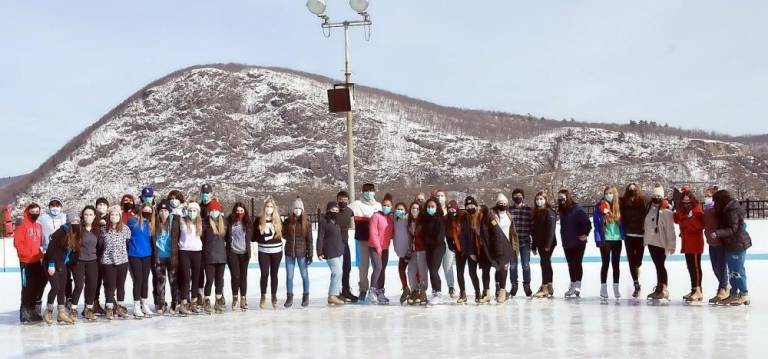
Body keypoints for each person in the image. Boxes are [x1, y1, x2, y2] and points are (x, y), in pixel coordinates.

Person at [711, 189, 752, 305]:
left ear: (721, 201)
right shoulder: (727, 209)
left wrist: (718, 233)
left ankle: (743, 294)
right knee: (732, 271)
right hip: (731, 244)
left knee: (737, 270)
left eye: (716, 202)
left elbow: (733, 229)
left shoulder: (732, 211)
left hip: (737, 244)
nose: (715, 204)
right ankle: (734, 294)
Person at [43, 211, 79, 325]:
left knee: (62, 288)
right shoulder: (60, 232)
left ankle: (61, 313)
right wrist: (52, 264)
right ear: (68, 221)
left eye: (77, 221)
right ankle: (48, 311)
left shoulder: (74, 233)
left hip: (61, 264)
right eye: (73, 221)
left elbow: (68, 250)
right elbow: (51, 250)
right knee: (56, 287)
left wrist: (66, 260)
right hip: (51, 263)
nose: (75, 223)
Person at [349, 183, 381, 301]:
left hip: (375, 241)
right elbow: (345, 214)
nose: (369, 193)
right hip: (362, 240)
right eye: (366, 190)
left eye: (371, 190)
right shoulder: (357, 204)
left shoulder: (378, 205)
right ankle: (363, 289)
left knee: (377, 266)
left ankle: (375, 288)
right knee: (363, 267)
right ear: (362, 192)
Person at [644, 183, 676, 301]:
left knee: (660, 265)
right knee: (658, 266)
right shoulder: (649, 207)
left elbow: (670, 229)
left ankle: (664, 288)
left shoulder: (665, 209)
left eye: (659, 196)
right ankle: (659, 287)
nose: (656, 198)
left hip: (661, 242)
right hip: (651, 241)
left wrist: (671, 245)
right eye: (655, 195)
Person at [558, 189, 592, 298]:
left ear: (568, 197)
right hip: (567, 241)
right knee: (570, 264)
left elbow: (587, 222)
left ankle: (577, 285)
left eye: (563, 198)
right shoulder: (562, 210)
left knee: (577, 263)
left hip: (578, 242)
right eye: (559, 198)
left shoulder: (577, 208)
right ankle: (573, 284)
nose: (561, 200)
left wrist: (585, 233)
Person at [673, 189, 705, 303]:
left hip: (695, 242)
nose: (686, 203)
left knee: (695, 267)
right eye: (684, 201)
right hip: (686, 242)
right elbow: (677, 220)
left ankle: (698, 290)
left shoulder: (697, 209)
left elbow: (700, 226)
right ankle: (694, 289)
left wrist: (690, 218)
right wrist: (675, 210)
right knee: (690, 267)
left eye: (688, 200)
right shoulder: (682, 210)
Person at [36, 198, 67, 312]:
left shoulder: (64, 217)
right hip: (46, 253)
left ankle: (63, 306)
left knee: (63, 281)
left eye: (57, 205)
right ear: (49, 207)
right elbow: (37, 232)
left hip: (61, 254)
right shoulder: (43, 219)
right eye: (52, 206)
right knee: (43, 280)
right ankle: (38, 303)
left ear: (61, 207)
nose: (55, 208)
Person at [14, 203, 44, 323]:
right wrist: (25, 254)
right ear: (28, 211)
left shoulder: (38, 226)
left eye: (37, 211)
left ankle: (32, 310)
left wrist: (41, 255)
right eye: (33, 211)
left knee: (35, 286)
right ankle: (24, 311)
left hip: (36, 261)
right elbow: (17, 243)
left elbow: (38, 244)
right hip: (26, 261)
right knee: (27, 286)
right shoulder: (22, 225)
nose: (35, 213)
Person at [71, 206, 101, 321]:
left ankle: (88, 309)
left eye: (90, 214)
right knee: (79, 285)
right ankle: (73, 309)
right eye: (86, 214)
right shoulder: (78, 229)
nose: (88, 217)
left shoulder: (97, 230)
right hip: (79, 261)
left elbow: (100, 246)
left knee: (92, 286)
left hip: (92, 261)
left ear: (94, 216)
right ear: (83, 216)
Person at [101, 205, 131, 319]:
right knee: (110, 286)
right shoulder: (104, 229)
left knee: (120, 285)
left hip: (122, 260)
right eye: (112, 214)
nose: (114, 216)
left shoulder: (126, 229)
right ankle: (109, 308)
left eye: (116, 214)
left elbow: (127, 244)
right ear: (109, 216)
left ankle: (120, 307)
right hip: (108, 261)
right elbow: (101, 245)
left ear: (120, 216)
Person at [283, 197, 313, 308]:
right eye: (295, 208)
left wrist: (310, 254)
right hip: (289, 253)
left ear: (302, 209)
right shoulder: (287, 222)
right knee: (289, 276)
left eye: (299, 208)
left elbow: (310, 240)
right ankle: (289, 297)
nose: (297, 210)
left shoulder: (307, 223)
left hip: (302, 253)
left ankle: (306, 296)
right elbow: (283, 234)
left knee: (304, 275)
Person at [594, 186, 623, 300]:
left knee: (616, 264)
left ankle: (616, 287)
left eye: (611, 193)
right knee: (605, 263)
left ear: (615, 194)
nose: (608, 195)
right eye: (606, 193)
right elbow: (596, 225)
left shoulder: (619, 206)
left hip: (617, 240)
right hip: (605, 240)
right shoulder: (600, 207)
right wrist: (598, 239)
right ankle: (603, 287)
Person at [254, 197, 283, 309]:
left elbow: (282, 234)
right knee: (264, 274)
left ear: (274, 208)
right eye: (267, 206)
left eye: (271, 207)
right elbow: (254, 236)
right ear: (264, 208)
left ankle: (274, 296)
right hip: (263, 251)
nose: (269, 208)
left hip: (276, 251)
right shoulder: (258, 220)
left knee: (274, 274)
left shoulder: (278, 219)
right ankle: (263, 295)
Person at [126, 203, 155, 318]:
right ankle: (136, 306)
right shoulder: (133, 221)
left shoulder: (150, 224)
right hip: (134, 254)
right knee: (138, 280)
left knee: (145, 280)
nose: (147, 213)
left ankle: (144, 303)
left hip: (147, 254)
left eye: (149, 211)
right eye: (145, 211)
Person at [456, 196, 486, 303]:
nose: (470, 207)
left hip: (472, 250)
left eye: (472, 205)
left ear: (476, 206)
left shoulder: (479, 217)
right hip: (460, 249)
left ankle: (477, 292)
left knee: (472, 272)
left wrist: (474, 252)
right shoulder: (462, 217)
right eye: (468, 206)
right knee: (460, 272)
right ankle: (462, 293)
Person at [152, 200, 180, 315]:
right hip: (159, 256)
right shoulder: (154, 223)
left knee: (173, 281)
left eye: (166, 211)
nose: (163, 213)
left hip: (172, 256)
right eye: (161, 211)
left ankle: (175, 301)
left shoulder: (175, 222)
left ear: (169, 212)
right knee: (160, 281)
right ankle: (161, 303)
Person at [620, 183, 647, 298]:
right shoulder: (623, 202)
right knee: (631, 260)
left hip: (640, 235)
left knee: (638, 261)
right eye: (629, 188)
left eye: (634, 188)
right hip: (629, 235)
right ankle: (636, 284)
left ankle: (637, 270)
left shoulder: (642, 201)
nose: (632, 190)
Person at [702, 186, 729, 304]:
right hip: (711, 241)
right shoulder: (706, 209)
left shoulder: (718, 209)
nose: (706, 198)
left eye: (709, 196)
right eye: (705, 196)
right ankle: (722, 286)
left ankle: (723, 288)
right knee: (715, 266)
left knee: (721, 266)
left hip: (719, 241)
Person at [489, 193, 517, 303]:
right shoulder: (493, 215)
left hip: (507, 246)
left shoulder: (509, 215)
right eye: (500, 203)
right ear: (497, 204)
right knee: (499, 268)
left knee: (504, 268)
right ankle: (498, 288)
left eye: (504, 203)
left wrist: (515, 246)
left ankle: (502, 290)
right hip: (496, 245)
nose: (502, 205)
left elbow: (512, 232)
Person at [316, 201, 346, 305]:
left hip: (338, 250)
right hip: (330, 251)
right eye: (333, 210)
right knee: (336, 272)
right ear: (328, 210)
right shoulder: (324, 221)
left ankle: (336, 294)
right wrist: (319, 251)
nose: (335, 212)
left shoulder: (336, 221)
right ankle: (332, 295)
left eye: (337, 210)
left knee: (339, 273)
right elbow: (320, 237)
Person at [202, 199, 227, 314]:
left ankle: (218, 300)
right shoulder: (205, 223)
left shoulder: (224, 223)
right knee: (210, 280)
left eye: (216, 210)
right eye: (212, 210)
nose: (214, 212)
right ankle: (206, 300)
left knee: (219, 280)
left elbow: (227, 239)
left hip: (221, 257)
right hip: (209, 257)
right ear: (209, 211)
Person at [178, 202, 203, 315]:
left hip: (197, 252)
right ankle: (183, 302)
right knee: (186, 277)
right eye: (190, 210)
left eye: (194, 211)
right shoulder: (181, 221)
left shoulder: (201, 223)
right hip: (184, 251)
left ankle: (194, 301)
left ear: (197, 212)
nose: (192, 213)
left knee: (196, 277)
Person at [368, 194, 394, 305]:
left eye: (388, 205)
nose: (386, 207)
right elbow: (373, 233)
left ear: (391, 206)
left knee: (382, 269)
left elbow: (391, 233)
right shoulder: (376, 216)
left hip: (385, 248)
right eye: (384, 205)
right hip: (374, 247)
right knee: (378, 267)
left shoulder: (390, 219)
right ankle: (372, 290)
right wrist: (378, 247)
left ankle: (380, 291)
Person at [226, 202, 252, 311]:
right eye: (237, 211)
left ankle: (243, 298)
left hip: (244, 253)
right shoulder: (229, 222)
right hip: (233, 252)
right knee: (235, 276)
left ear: (244, 212)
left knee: (243, 277)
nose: (239, 213)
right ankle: (235, 297)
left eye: (241, 211)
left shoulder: (248, 223)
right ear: (234, 212)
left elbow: (253, 236)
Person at [420, 198, 447, 304]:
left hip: (438, 247)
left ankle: (438, 293)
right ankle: (434, 292)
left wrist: (430, 241)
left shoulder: (440, 219)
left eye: (432, 207)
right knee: (431, 269)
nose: (430, 208)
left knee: (434, 269)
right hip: (429, 248)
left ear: (437, 207)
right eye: (429, 207)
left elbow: (440, 236)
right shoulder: (425, 219)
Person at [531, 192, 557, 298]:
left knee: (544, 263)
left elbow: (551, 229)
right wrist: (534, 245)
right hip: (540, 242)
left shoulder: (549, 211)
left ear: (545, 199)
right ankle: (549, 284)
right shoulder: (536, 212)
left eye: (541, 199)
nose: (539, 201)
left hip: (548, 243)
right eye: (537, 199)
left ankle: (545, 286)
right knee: (546, 263)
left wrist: (547, 244)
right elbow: (535, 231)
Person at [509, 189, 533, 297]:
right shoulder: (509, 210)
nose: (517, 198)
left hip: (525, 241)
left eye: (519, 195)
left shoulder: (528, 210)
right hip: (512, 243)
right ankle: (514, 285)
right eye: (515, 196)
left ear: (523, 197)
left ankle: (527, 285)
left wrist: (534, 242)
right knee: (513, 265)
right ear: (513, 198)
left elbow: (533, 226)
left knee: (526, 265)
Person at [335, 191, 358, 302]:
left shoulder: (350, 211)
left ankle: (346, 290)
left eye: (345, 200)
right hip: (334, 243)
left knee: (347, 267)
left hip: (345, 242)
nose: (343, 202)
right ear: (337, 200)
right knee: (337, 270)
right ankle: (335, 292)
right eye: (341, 199)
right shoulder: (334, 211)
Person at [406, 202, 428, 305]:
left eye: (417, 208)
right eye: (413, 208)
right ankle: (414, 290)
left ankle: (423, 291)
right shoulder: (410, 221)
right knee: (411, 271)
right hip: (413, 251)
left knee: (423, 272)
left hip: (422, 250)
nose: (415, 210)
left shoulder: (423, 222)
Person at [436, 190, 457, 298]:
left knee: (448, 265)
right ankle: (436, 289)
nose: (440, 197)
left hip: (448, 240)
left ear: (445, 198)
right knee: (435, 266)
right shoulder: (433, 209)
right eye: (438, 196)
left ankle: (451, 287)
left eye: (442, 195)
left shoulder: (449, 209)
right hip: (436, 242)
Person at [392, 201, 412, 304]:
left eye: (402, 209)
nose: (399, 211)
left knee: (413, 272)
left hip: (410, 250)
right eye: (398, 209)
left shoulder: (408, 219)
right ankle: (405, 288)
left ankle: (416, 290)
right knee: (401, 270)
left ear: (405, 210)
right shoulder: (394, 220)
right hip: (401, 251)